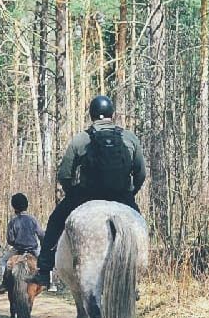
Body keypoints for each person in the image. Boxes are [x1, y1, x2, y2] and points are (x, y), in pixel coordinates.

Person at [28, 95, 146, 286]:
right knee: (140, 227)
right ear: (112, 114)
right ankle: (136, 279)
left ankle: (43, 271)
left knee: (55, 221)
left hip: (86, 196)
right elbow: (141, 173)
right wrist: (130, 194)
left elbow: (65, 173)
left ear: (91, 115)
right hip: (121, 196)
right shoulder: (129, 137)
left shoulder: (82, 138)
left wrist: (73, 192)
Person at [6, 192, 45, 258]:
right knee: (42, 263)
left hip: (18, 250)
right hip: (33, 250)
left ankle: (2, 269)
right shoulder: (33, 220)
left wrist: (16, 242)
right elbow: (41, 235)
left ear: (14, 207)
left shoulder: (13, 222)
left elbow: (10, 240)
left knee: (3, 262)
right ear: (26, 205)